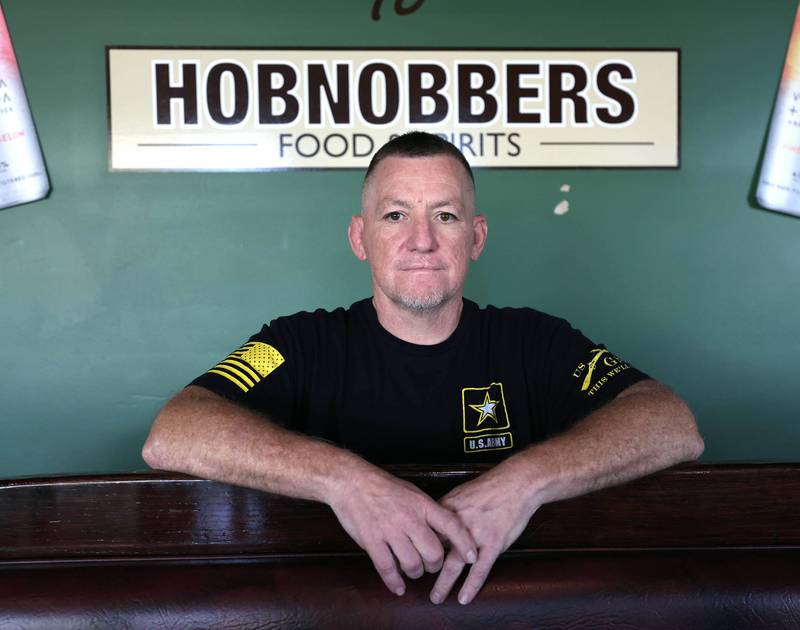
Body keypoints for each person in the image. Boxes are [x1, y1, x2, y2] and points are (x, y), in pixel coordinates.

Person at [142, 131, 704, 606]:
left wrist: (525, 482)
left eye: (445, 215)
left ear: (476, 237)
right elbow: (174, 432)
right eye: (395, 215)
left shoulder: (535, 340)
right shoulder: (300, 342)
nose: (422, 241)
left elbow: (670, 422)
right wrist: (345, 482)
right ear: (360, 239)